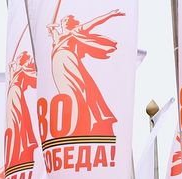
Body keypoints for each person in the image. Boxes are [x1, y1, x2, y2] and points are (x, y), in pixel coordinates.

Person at [47, 10, 125, 138]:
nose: (64, 21)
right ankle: (73, 122)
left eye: (67, 20)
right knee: (66, 91)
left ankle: (86, 120)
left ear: (72, 23)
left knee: (80, 89)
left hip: (69, 60)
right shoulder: (58, 36)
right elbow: (53, 33)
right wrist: (51, 29)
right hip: (57, 64)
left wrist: (110, 14)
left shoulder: (76, 31)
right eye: (63, 20)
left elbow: (95, 22)